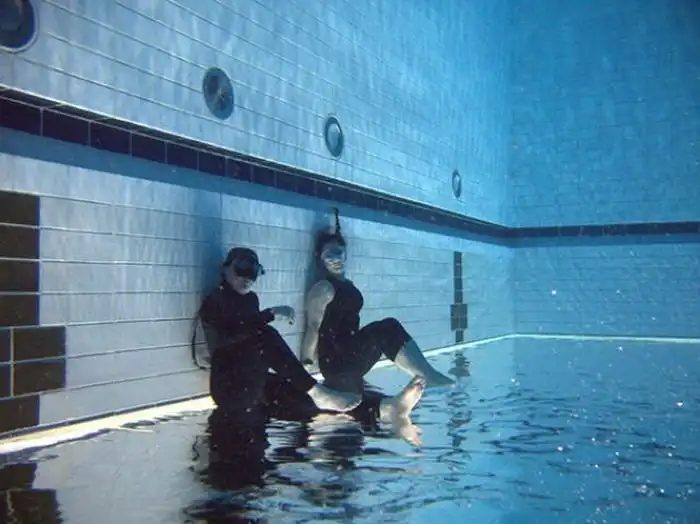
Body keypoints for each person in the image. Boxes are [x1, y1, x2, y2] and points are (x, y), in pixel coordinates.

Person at [197, 247, 425, 443]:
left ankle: (387, 409)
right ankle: (316, 390)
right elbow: (225, 338)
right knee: (265, 336)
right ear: (225, 269)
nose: (247, 277)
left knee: (322, 401)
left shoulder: (250, 299)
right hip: (230, 389)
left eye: (253, 272)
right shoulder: (215, 300)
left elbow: (246, 337)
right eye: (240, 269)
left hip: (255, 381)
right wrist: (268, 315)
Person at [300, 208, 455, 389]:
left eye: (338, 252)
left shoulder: (347, 284)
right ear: (320, 259)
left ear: (345, 253)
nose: (335, 259)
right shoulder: (323, 288)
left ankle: (426, 376)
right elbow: (313, 327)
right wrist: (306, 365)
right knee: (388, 328)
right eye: (329, 256)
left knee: (387, 330)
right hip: (337, 364)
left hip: (350, 355)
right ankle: (428, 377)